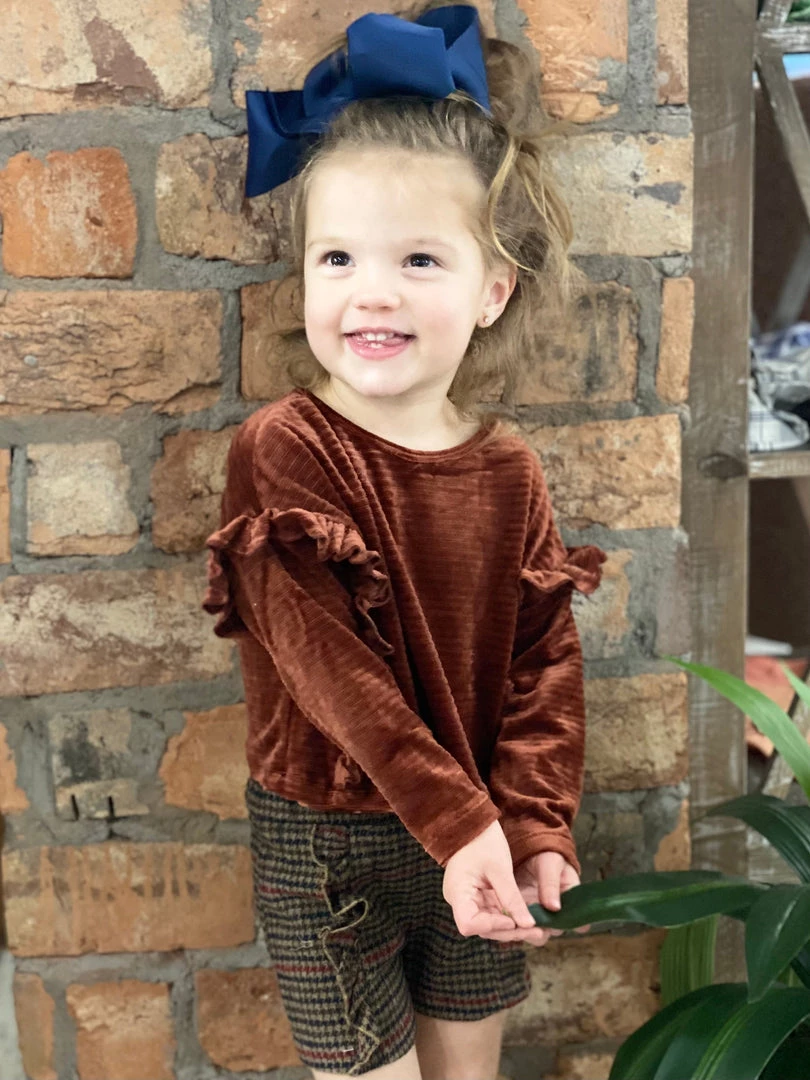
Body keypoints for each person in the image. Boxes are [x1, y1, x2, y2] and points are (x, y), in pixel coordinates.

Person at [202, 4, 607, 1077]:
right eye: (337, 257)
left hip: (481, 831)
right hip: (330, 847)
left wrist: (535, 825)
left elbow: (543, 667)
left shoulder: (510, 470)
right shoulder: (285, 449)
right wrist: (461, 824)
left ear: (492, 290)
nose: (370, 292)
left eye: (420, 259)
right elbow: (332, 671)